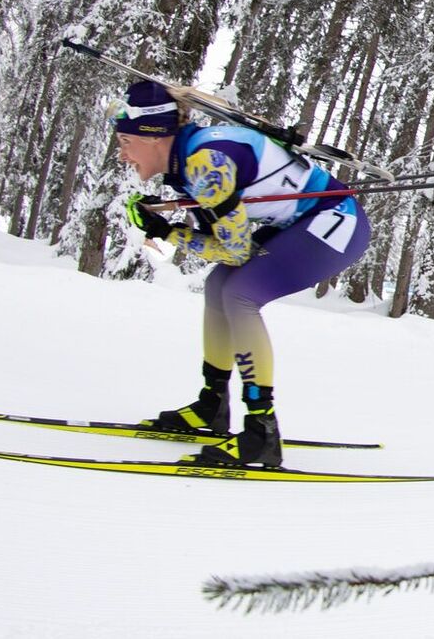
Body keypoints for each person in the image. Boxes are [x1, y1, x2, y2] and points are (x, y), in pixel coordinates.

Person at [109, 80, 370, 467]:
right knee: (219, 286)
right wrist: (166, 221)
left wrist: (168, 232)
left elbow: (233, 250)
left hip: (334, 222)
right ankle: (212, 406)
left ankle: (261, 432)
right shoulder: (189, 159)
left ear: (152, 136)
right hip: (302, 220)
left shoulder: (204, 163)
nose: (122, 154)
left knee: (240, 294)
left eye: (125, 141)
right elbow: (225, 241)